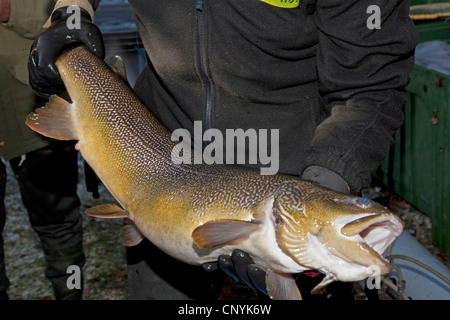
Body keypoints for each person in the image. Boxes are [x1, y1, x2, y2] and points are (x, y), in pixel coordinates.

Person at [27, 0, 418, 300]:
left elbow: (371, 84)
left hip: (295, 166)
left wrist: (326, 182)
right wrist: (70, 15)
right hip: (152, 148)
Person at [0, 0, 85, 300]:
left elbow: (75, 11)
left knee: (58, 222)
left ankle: (71, 295)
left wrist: (12, 9)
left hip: (34, 94)